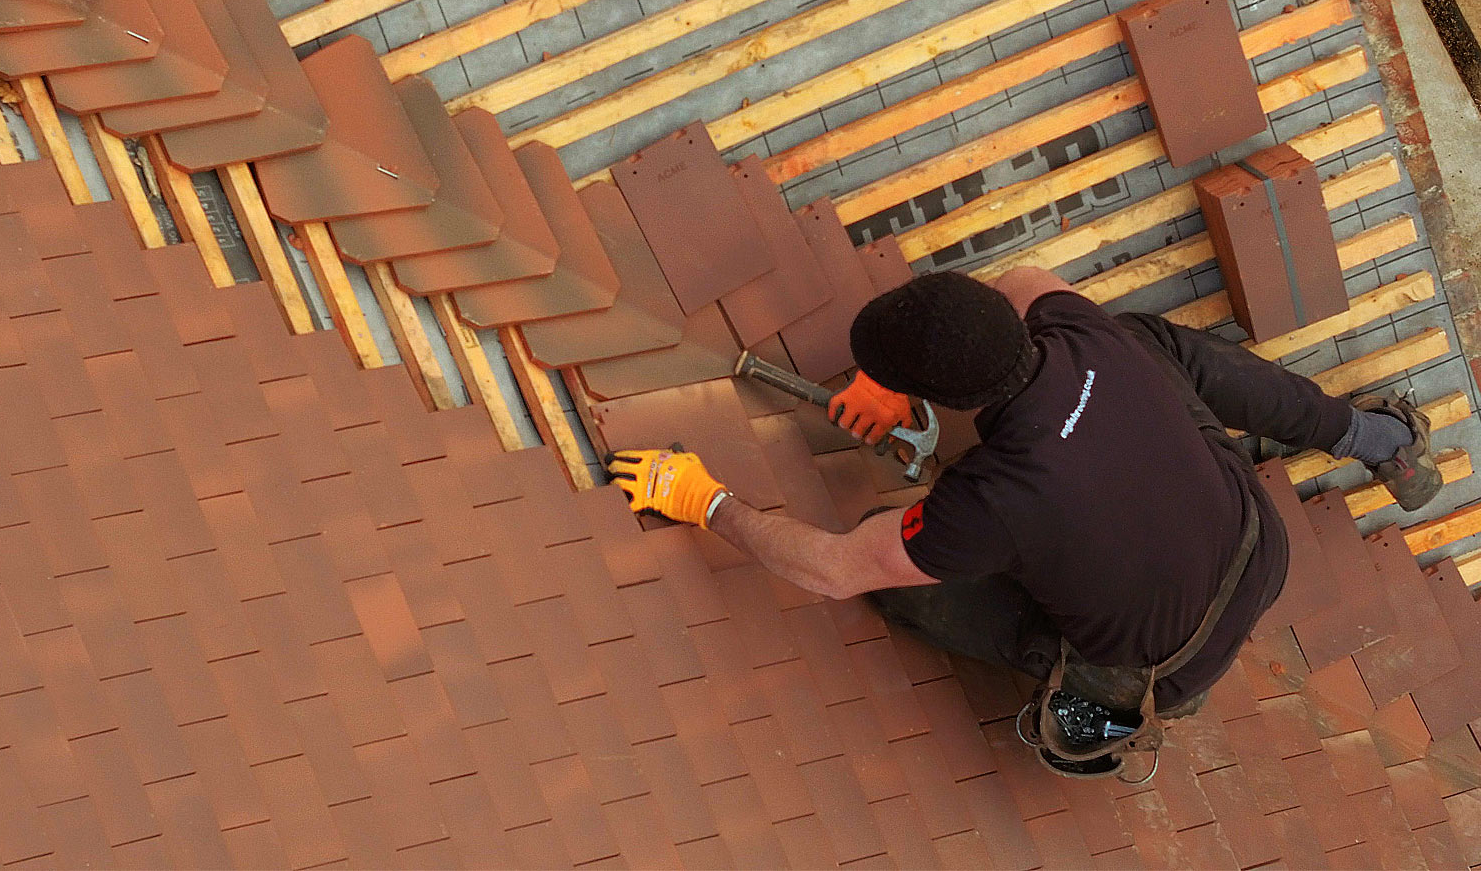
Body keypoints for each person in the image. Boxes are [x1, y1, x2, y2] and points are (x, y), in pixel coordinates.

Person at [606, 267, 1441, 777]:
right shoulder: (1078, 329)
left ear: (945, 395)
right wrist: (902, 377)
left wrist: (705, 500)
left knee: (901, 580)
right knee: (1149, 342)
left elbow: (832, 568)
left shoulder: (991, 500)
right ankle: (1377, 439)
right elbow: (1020, 277)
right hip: (1259, 546)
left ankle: (1102, 722)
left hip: (1168, 665)